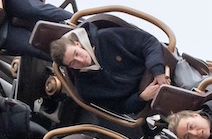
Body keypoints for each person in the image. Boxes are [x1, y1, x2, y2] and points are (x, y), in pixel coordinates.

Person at [48, 22, 176, 117]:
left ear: (77, 44)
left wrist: (157, 71)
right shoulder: (86, 89)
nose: (80, 60)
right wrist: (142, 97)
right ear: (70, 67)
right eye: (73, 62)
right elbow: (120, 107)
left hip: (163, 69)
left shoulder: (107, 37)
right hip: (151, 101)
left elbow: (148, 42)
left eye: (76, 53)